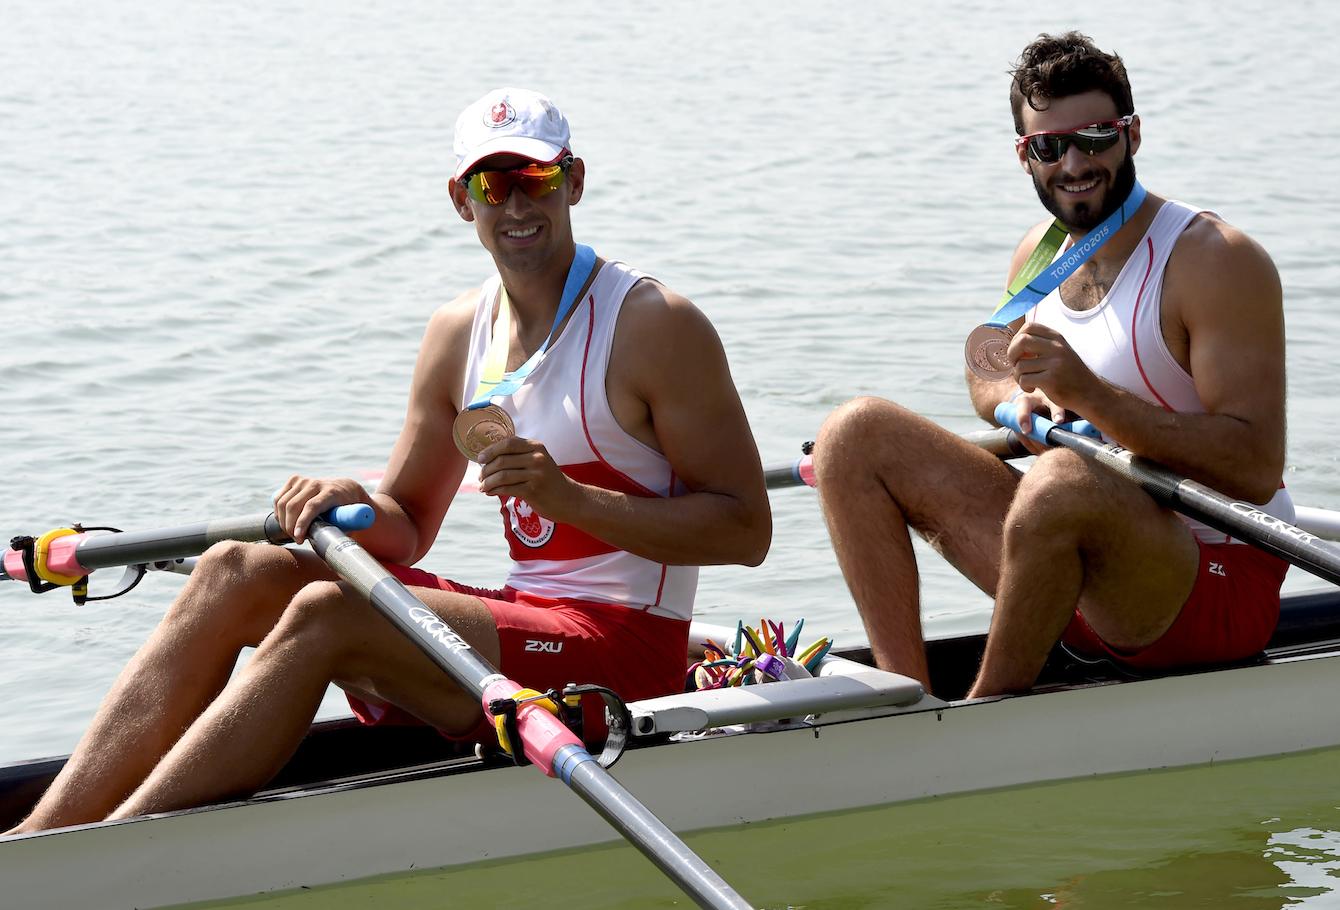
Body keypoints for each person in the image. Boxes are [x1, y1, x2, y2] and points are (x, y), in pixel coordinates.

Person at [7, 87, 770, 833]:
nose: (515, 206)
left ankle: (112, 853)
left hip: (622, 653)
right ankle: (41, 839)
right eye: (490, 184)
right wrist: (354, 498)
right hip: (530, 622)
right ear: (459, 198)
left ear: (572, 180)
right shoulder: (456, 332)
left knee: (328, 610)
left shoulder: (653, 326)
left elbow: (745, 531)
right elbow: (406, 527)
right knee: (239, 570)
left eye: (534, 179)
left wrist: (572, 500)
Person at [813, 32, 1291, 697]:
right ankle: (906, 702)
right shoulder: (1042, 252)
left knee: (1064, 476)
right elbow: (985, 348)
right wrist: (1013, 394)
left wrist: (1091, 397)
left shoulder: (1213, 260)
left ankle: (984, 719)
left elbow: (1256, 465)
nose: (1074, 163)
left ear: (1134, 134)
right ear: (1024, 156)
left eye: (1095, 137)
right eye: (1049, 146)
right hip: (1074, 559)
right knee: (852, 435)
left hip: (1214, 582)